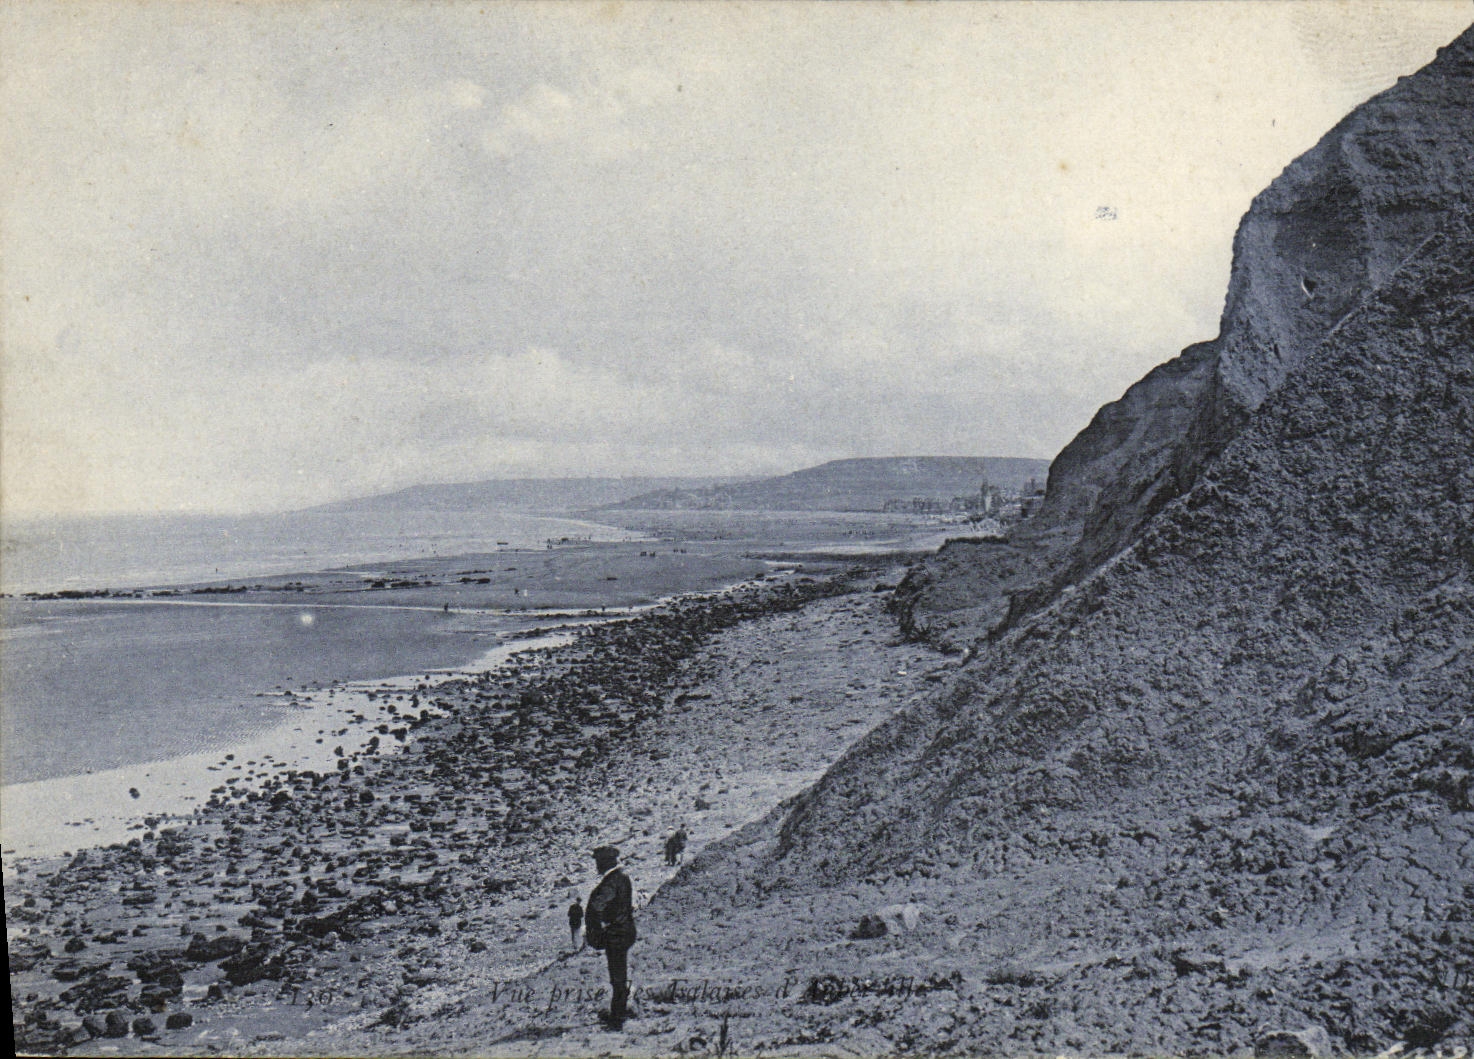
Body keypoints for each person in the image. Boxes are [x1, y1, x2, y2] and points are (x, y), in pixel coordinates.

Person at [584, 845, 636, 1027]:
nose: (597, 866)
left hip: (616, 933)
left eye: (599, 862)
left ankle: (618, 1018)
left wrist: (595, 929)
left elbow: (597, 906)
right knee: (619, 973)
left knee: (617, 976)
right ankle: (620, 1011)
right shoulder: (623, 877)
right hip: (625, 930)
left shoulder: (611, 881)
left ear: (605, 862)